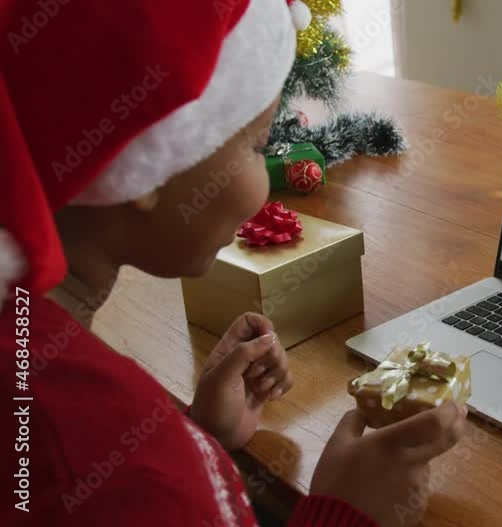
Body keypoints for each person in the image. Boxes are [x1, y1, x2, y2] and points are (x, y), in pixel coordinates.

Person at [0, 1, 466, 526]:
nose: (266, 185)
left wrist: (200, 435)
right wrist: (346, 512)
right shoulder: (135, 475)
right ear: (150, 160)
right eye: (256, 146)